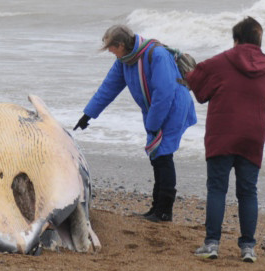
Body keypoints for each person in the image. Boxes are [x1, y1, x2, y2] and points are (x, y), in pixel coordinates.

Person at [74, 24, 196, 222]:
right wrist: (88, 115)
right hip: (156, 110)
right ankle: (156, 208)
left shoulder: (156, 55)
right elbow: (109, 88)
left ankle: (164, 211)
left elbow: (164, 93)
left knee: (163, 155)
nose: (110, 52)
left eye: (111, 48)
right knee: (156, 156)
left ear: (121, 44)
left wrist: (154, 124)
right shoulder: (125, 60)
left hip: (174, 107)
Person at [186, 17, 265, 263]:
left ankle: (212, 244)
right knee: (248, 192)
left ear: (237, 40)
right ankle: (248, 248)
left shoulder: (222, 61)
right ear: (259, 41)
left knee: (217, 189)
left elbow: (198, 85)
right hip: (253, 135)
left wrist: (187, 72)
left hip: (223, 133)